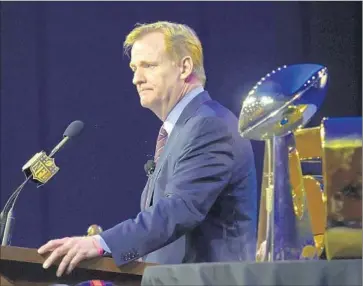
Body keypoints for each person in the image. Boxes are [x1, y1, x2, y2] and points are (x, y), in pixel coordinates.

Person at [38, 21, 257, 277]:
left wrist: (101, 243)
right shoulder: (184, 128)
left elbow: (179, 209)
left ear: (184, 67)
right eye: (134, 68)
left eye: (148, 66)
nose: (136, 78)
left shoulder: (208, 125)